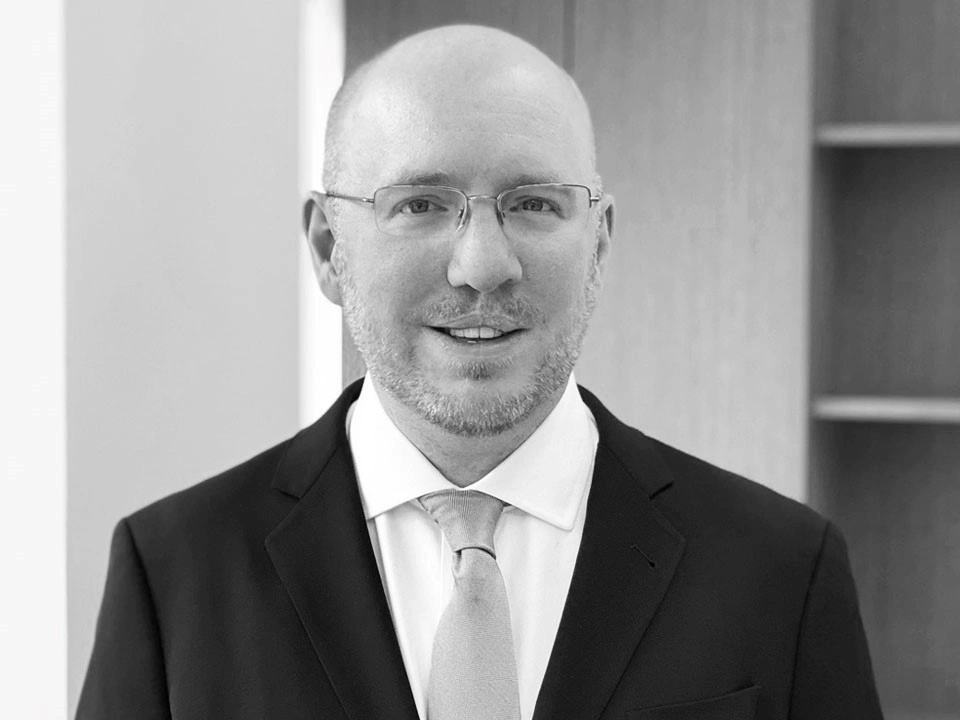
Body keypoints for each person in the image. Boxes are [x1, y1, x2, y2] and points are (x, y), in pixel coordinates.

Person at [77, 24, 883, 720]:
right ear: (328, 249)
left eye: (533, 203)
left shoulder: (781, 571)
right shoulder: (174, 576)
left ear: (599, 243)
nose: (483, 265)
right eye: (419, 204)